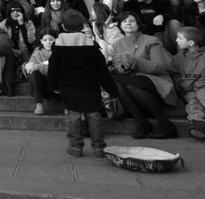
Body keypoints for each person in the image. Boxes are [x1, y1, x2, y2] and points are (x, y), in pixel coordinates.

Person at [48, 10, 118, 157]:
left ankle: (75, 147)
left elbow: (53, 68)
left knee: (73, 116)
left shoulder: (58, 45)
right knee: (94, 115)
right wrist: (112, 89)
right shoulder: (91, 44)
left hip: (69, 87)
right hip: (90, 86)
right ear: (82, 25)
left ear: (64, 26)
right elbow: (103, 70)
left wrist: (53, 86)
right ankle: (99, 147)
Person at [110, 11, 179, 139]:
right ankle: (141, 122)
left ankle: (165, 123)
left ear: (138, 24)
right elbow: (116, 68)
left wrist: (135, 62)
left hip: (153, 81)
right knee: (116, 81)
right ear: (120, 26)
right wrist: (123, 67)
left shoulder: (152, 41)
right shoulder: (117, 45)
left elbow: (159, 66)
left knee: (132, 84)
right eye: (124, 21)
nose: (128, 24)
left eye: (131, 21)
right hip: (130, 82)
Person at [23, 29, 58, 114]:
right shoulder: (37, 53)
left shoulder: (60, 52)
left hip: (58, 86)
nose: (48, 42)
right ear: (41, 41)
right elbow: (31, 68)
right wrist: (27, 66)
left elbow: (56, 69)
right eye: (45, 40)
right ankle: (39, 104)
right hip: (43, 86)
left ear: (56, 40)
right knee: (32, 73)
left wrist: (38, 66)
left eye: (51, 40)